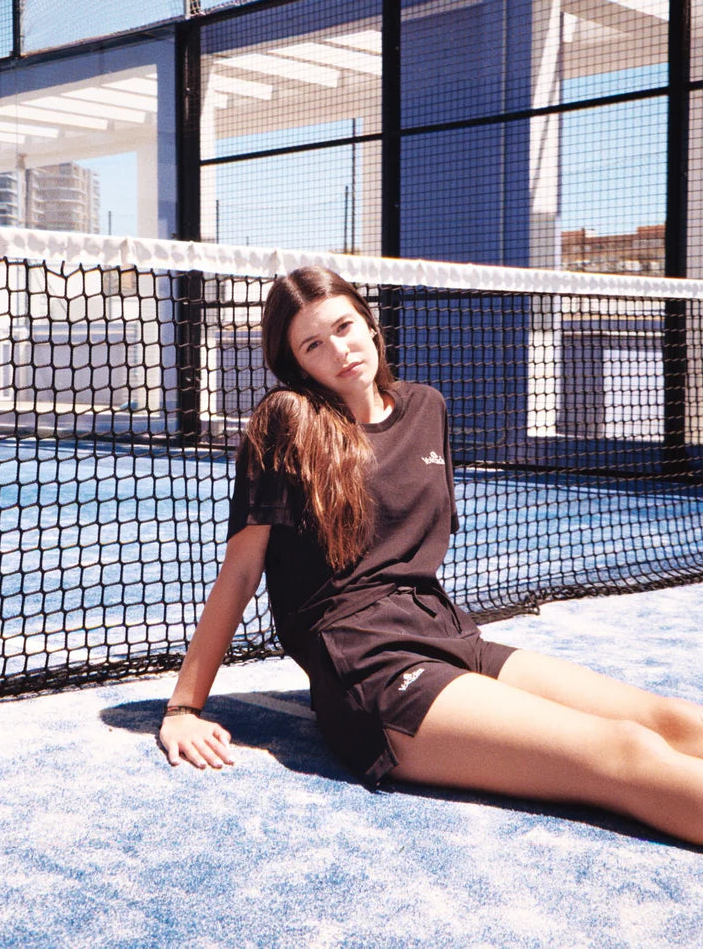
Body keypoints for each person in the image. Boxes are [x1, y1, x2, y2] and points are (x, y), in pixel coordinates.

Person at [160, 266, 703, 846]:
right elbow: (242, 571)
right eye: (312, 345)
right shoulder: (286, 421)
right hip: (369, 664)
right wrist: (183, 708)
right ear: (296, 364)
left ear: (369, 324)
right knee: (624, 752)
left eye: (343, 327)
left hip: (449, 635)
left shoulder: (426, 407)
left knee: (671, 721)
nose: (338, 350)